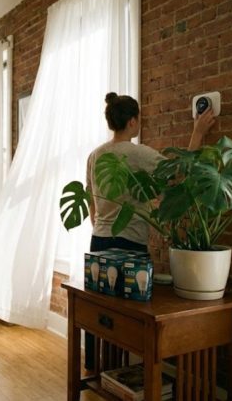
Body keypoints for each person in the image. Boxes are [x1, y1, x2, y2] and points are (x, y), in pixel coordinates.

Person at [83, 92, 215, 371]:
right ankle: (127, 374)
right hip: (130, 241)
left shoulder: (96, 155)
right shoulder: (139, 153)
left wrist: (99, 223)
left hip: (100, 239)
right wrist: (198, 132)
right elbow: (178, 173)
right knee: (132, 315)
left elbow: (90, 197)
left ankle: (96, 369)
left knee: (101, 309)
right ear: (133, 121)